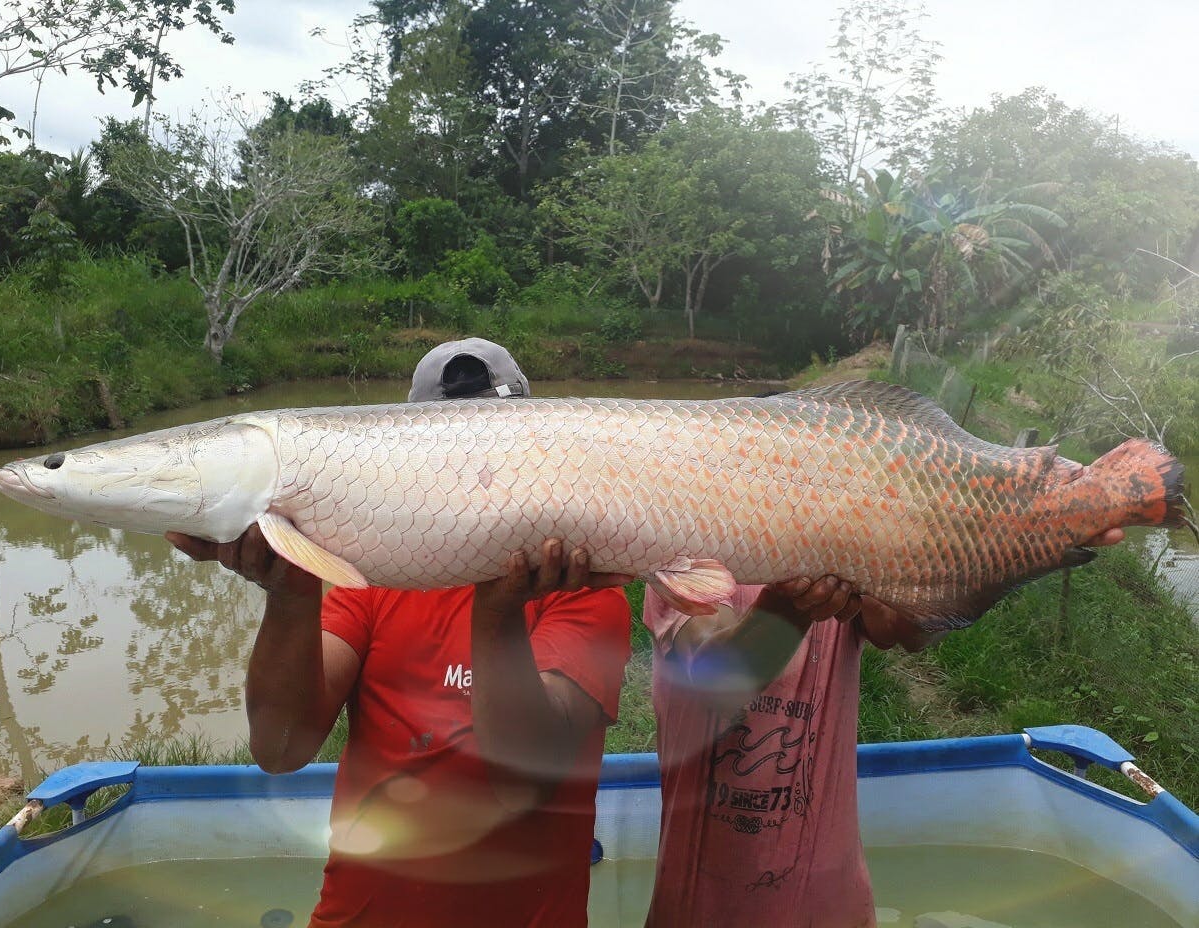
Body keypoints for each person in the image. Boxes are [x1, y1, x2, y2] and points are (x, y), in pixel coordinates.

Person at [168, 338, 633, 928]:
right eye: (446, 449)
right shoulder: (376, 578)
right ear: (407, 459)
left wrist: (495, 615)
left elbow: (522, 783)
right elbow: (281, 749)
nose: (476, 470)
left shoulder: (584, 588)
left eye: (496, 446)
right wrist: (292, 592)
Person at [642, 531, 1125, 928]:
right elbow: (720, 679)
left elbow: (910, 627)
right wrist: (792, 606)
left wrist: (1010, 545)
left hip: (830, 900)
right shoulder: (684, 555)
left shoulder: (841, 537)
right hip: (702, 901)